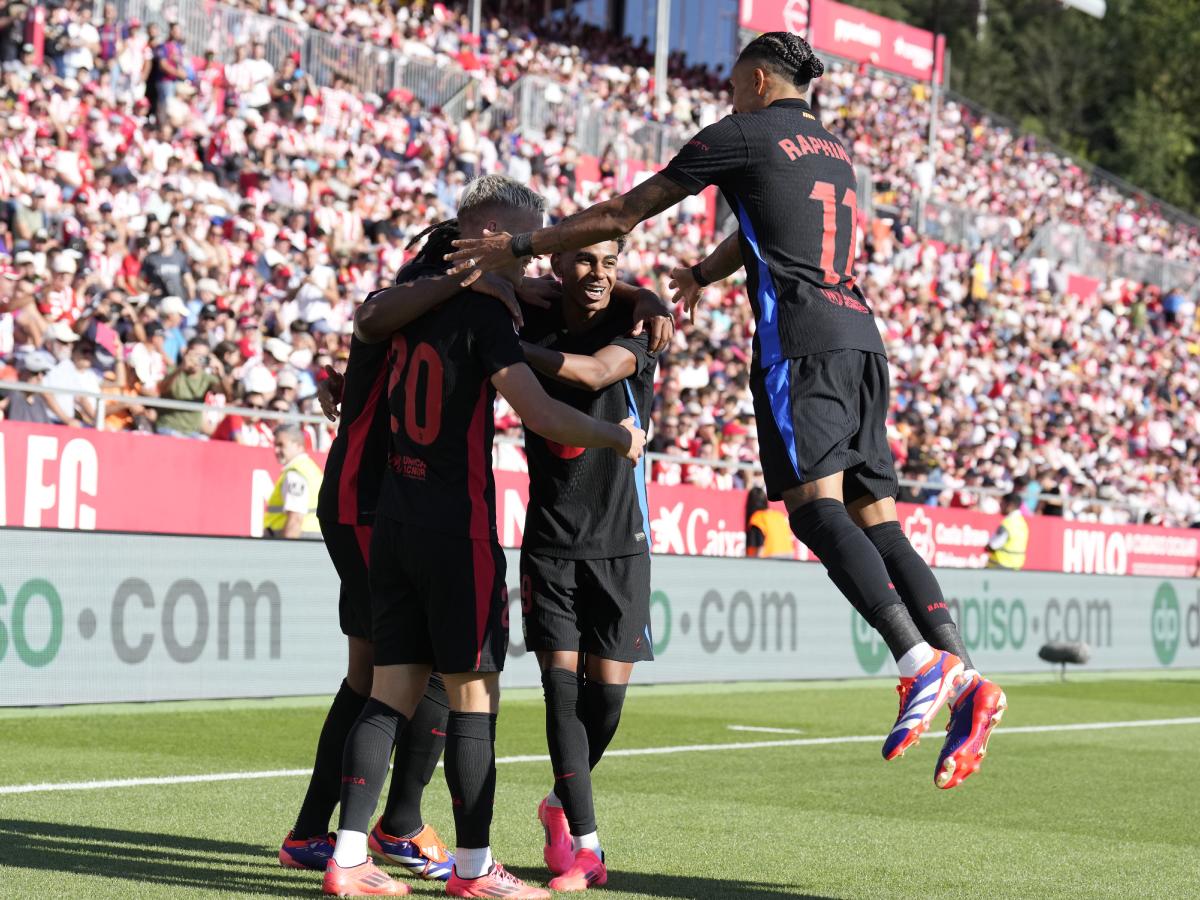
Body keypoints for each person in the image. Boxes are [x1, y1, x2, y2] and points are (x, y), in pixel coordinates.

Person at [446, 34, 1005, 790]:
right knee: (880, 520)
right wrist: (705, 273)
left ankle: (917, 663)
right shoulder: (833, 149)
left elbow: (622, 212)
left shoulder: (741, 131)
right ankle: (965, 678)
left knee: (814, 510)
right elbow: (770, 226)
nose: (729, 97)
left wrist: (524, 242)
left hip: (801, 344)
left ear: (758, 77)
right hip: (863, 342)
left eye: (736, 84)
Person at [323, 175, 645, 899]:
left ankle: (346, 859)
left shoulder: (411, 302)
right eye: (521, 244)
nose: (530, 260)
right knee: (475, 700)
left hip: (396, 521)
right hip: (455, 531)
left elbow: (369, 333)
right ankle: (474, 871)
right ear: (487, 239)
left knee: (390, 693)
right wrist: (615, 436)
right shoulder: (482, 313)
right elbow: (543, 415)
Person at [515, 238, 659, 891]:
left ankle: (556, 804)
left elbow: (593, 375)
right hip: (549, 538)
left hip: (621, 540)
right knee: (561, 693)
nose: (598, 273)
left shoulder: (637, 330)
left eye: (610, 262)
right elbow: (486, 280)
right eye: (584, 261)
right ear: (555, 265)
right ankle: (586, 846)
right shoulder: (531, 314)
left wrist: (506, 353)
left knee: (606, 705)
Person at [263, 424, 322, 539]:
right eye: (275, 445)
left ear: (298, 446)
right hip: (309, 540)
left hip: (298, 540)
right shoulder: (309, 468)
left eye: (281, 445)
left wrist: (287, 552)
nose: (276, 450)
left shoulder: (295, 474)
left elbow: (295, 519)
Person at [745, 486, 792, 558]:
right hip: (789, 556)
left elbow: (759, 548)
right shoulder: (779, 515)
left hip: (769, 559)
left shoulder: (757, 519)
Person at [986, 492, 1029, 571]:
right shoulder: (1023, 522)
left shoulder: (1008, 523)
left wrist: (987, 547)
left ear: (1010, 505)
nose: (1000, 506)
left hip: (1000, 565)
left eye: (1002, 503)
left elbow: (993, 545)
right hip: (1016, 565)